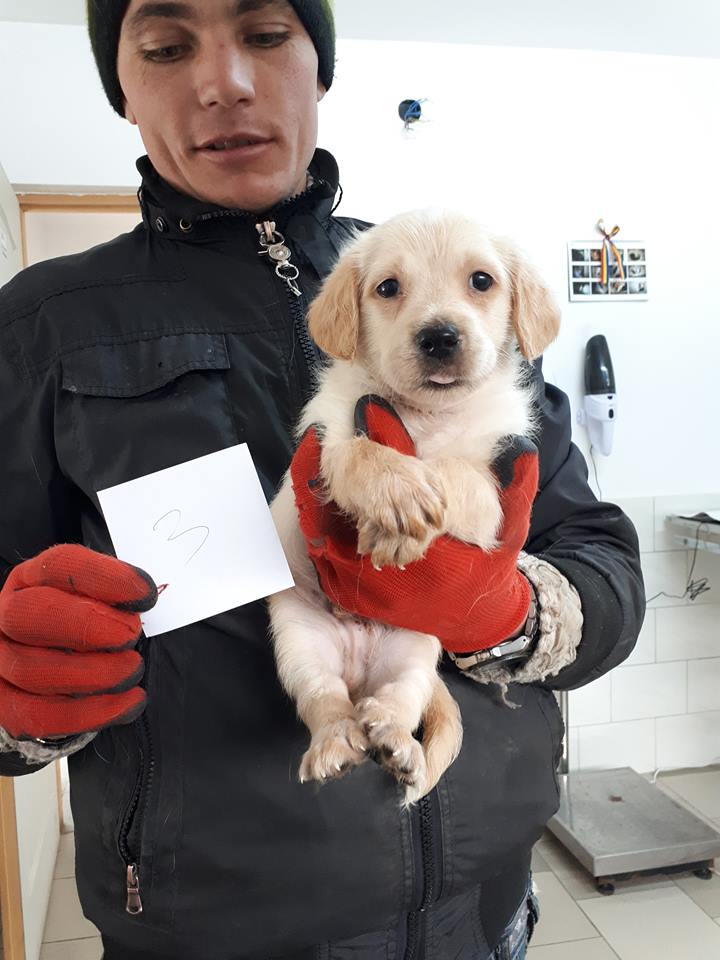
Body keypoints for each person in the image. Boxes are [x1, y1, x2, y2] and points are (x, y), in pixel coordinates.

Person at [0, 2, 645, 958]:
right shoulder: (43, 325)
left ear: (321, 65)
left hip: (484, 912)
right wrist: (19, 703)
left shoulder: (453, 287)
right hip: (214, 929)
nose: (227, 82)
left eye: (265, 34)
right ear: (121, 90)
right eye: (168, 48)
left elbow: (607, 574)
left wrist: (504, 611)